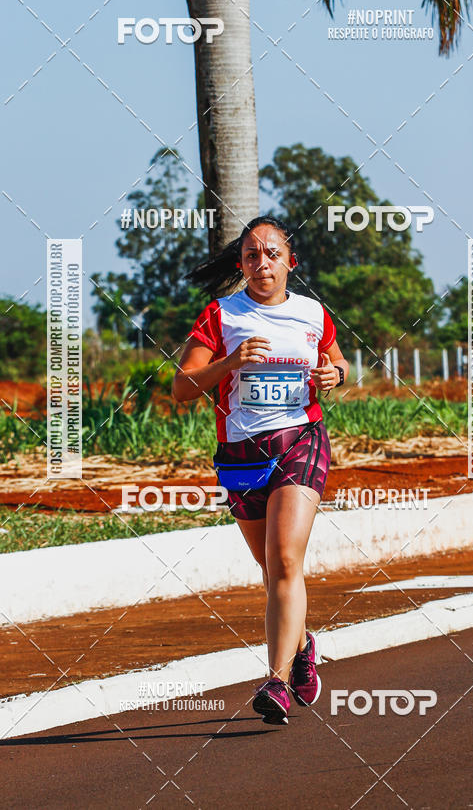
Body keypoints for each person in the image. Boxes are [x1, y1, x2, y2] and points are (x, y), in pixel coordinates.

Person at [172, 216, 348, 725]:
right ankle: (304, 642)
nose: (262, 262)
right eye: (251, 255)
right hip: (241, 456)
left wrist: (333, 374)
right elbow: (183, 388)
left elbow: (338, 364)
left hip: (300, 439)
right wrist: (229, 363)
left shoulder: (313, 314)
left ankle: (275, 680)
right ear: (241, 265)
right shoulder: (222, 315)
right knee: (274, 571)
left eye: (272, 253)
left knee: (284, 557)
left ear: (291, 262)